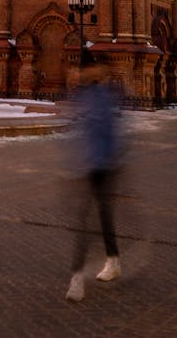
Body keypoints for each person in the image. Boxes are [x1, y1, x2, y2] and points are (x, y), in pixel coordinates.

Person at [65, 57, 124, 301]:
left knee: (86, 221)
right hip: (92, 167)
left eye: (82, 70)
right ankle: (113, 260)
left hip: (100, 167)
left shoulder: (100, 96)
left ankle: (77, 278)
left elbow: (106, 133)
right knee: (102, 216)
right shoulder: (85, 95)